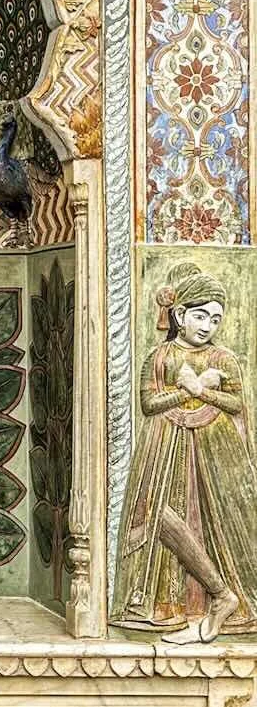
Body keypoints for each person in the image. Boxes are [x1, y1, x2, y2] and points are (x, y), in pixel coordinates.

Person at [113, 261, 257, 642]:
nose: (208, 325)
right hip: (165, 446)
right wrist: (187, 389)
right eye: (200, 315)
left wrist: (204, 390)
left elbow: (237, 403)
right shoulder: (160, 357)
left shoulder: (224, 359)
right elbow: (148, 403)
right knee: (156, 515)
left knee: (211, 521)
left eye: (215, 318)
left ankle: (225, 597)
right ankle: (215, 594)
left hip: (215, 448)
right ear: (179, 314)